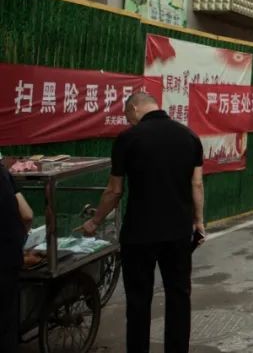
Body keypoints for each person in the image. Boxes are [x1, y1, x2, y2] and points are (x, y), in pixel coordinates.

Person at [80, 92, 205, 353]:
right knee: (179, 296)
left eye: (128, 116)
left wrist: (95, 220)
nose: (129, 121)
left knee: (138, 301)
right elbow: (196, 185)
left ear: (135, 108)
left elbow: (114, 191)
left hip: (139, 234)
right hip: (178, 232)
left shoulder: (127, 139)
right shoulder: (189, 137)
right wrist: (199, 222)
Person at [1, 152, 33, 352]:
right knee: (5, 323)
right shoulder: (4, 175)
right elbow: (27, 215)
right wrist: (24, 239)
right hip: (6, 256)